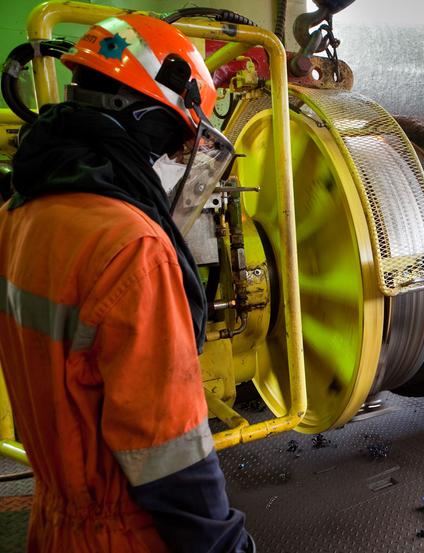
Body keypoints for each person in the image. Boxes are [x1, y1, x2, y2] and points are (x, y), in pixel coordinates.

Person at [0, 13, 253, 552]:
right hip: (125, 534)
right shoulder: (133, 248)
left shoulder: (17, 216)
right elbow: (169, 454)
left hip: (55, 521)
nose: (174, 160)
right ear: (148, 122)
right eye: (175, 143)